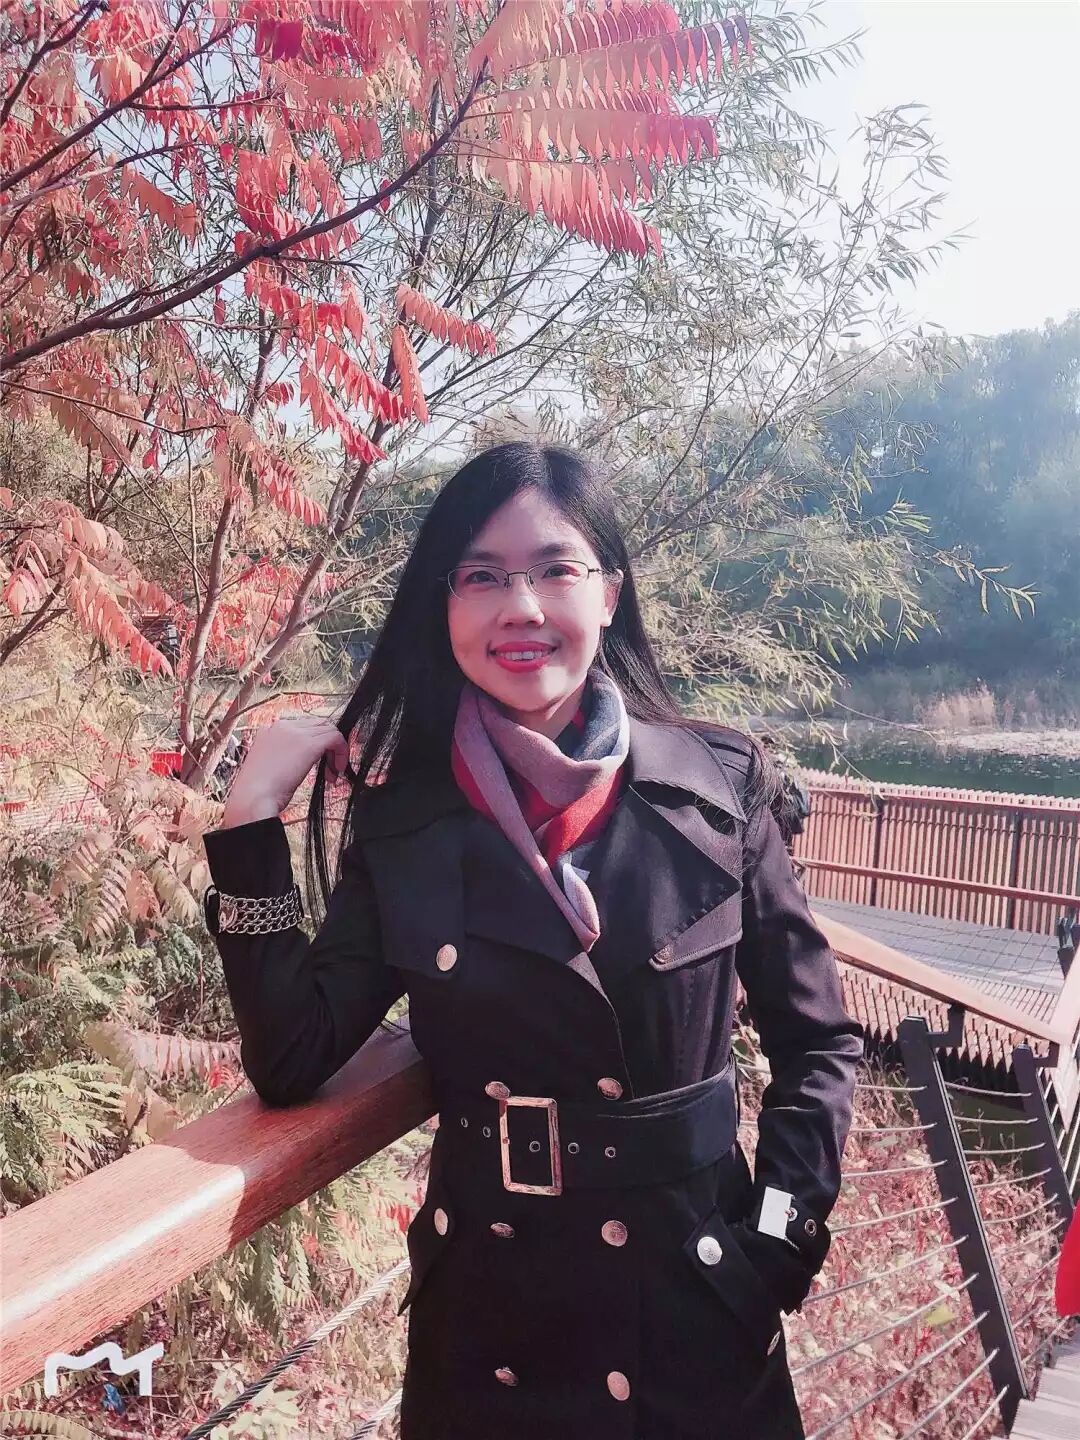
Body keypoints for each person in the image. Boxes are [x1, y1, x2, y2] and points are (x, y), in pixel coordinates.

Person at [200, 443, 864, 1440]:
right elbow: (295, 1054)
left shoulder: (721, 790)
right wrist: (250, 826)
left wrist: (780, 1235)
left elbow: (819, 1042)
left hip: (700, 1314)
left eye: (555, 569)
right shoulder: (405, 820)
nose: (520, 607)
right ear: (444, 606)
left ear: (609, 593)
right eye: (481, 577)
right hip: (491, 1334)